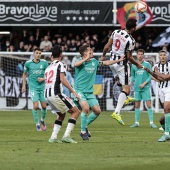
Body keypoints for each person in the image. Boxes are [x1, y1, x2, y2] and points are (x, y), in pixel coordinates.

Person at [73, 44, 125, 140]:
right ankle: (83, 131)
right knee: (85, 108)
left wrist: (118, 60)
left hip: (89, 92)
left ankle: (85, 126)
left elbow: (106, 63)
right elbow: (75, 65)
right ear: (84, 53)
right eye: (89, 50)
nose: (92, 51)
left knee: (97, 111)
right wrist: (85, 59)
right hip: (79, 90)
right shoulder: (79, 62)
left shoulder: (94, 61)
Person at [101, 18, 143, 125]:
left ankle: (126, 97)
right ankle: (117, 112)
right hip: (121, 65)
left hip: (112, 62)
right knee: (127, 89)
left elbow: (107, 46)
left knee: (119, 82)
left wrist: (103, 56)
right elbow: (129, 57)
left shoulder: (116, 32)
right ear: (133, 28)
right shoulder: (131, 40)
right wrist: (137, 64)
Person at [44, 45, 81, 143]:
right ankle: (66, 136)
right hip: (56, 93)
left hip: (47, 95)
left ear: (52, 55)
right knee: (76, 112)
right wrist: (74, 92)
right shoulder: (61, 64)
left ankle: (53, 137)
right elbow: (62, 79)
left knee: (61, 115)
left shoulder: (48, 67)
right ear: (61, 54)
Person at [144, 50, 170, 142]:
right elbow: (156, 78)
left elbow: (166, 77)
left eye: (164, 55)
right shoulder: (156, 66)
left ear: (166, 56)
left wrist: (156, 73)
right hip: (161, 90)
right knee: (163, 118)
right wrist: (151, 72)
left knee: (167, 109)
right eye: (161, 55)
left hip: (169, 89)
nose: (162, 56)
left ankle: (166, 135)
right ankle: (168, 132)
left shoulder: (169, 65)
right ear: (159, 57)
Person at [22, 47, 48, 131]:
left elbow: (48, 74)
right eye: (37, 53)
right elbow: (24, 74)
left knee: (44, 106)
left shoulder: (44, 63)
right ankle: (37, 124)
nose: (38, 55)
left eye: (40, 53)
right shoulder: (28, 63)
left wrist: (43, 79)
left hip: (42, 87)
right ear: (34, 53)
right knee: (36, 106)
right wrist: (23, 85)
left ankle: (42, 121)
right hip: (33, 87)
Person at [130, 49, 157, 128]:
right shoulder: (133, 65)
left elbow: (150, 75)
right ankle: (136, 122)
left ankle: (151, 123)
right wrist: (131, 82)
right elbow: (133, 76)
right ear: (137, 55)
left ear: (143, 55)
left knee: (148, 105)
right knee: (137, 105)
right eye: (139, 54)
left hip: (145, 88)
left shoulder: (147, 64)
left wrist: (144, 83)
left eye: (142, 54)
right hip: (137, 88)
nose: (140, 55)